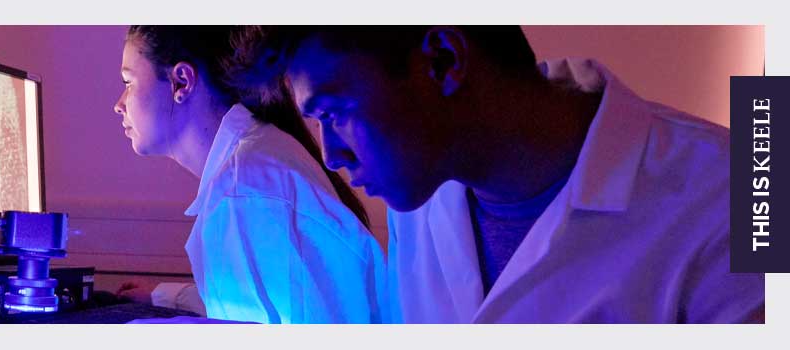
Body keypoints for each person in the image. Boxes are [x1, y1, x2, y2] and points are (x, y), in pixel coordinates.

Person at [247, 25, 764, 323]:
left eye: (334, 113)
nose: (332, 156)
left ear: (444, 61)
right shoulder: (418, 191)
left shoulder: (745, 191)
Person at [109, 25, 392, 324]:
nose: (119, 104)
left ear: (182, 82)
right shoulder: (253, 165)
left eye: (129, 82)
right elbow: (270, 301)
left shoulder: (243, 190)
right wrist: (162, 296)